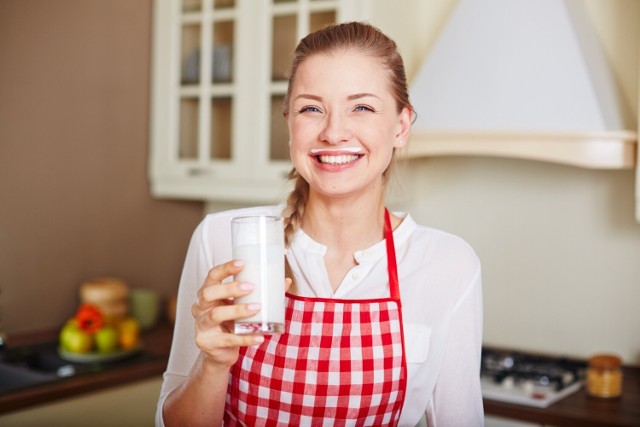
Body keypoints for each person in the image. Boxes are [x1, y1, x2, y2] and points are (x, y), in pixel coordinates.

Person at [156, 21, 483, 427]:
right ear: (290, 123)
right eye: (312, 108)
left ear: (400, 126)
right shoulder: (223, 238)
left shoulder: (448, 264)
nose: (333, 132)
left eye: (361, 107)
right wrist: (213, 363)